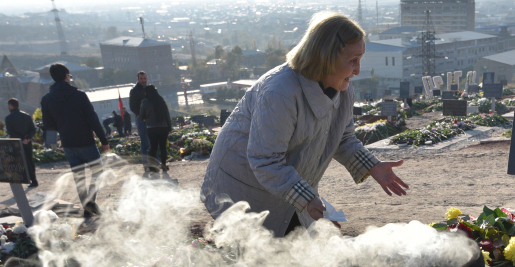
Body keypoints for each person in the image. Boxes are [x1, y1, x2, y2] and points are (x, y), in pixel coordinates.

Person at [201, 12, 408, 237]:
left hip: (282, 187)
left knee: (294, 251)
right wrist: (307, 198)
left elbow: (343, 138)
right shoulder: (280, 92)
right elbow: (265, 160)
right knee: (261, 257)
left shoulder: (343, 89)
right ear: (327, 57)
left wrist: (372, 166)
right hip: (242, 189)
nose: (357, 70)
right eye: (352, 61)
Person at [40, 63, 109, 219]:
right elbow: (93, 119)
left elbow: (48, 125)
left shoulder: (46, 100)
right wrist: (103, 140)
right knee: (97, 172)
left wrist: (59, 133)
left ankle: (87, 207)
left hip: (68, 144)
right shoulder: (79, 96)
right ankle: (90, 203)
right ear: (67, 76)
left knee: (79, 177)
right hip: (86, 141)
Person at [138, 84, 172, 175]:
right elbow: (167, 115)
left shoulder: (145, 102)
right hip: (163, 127)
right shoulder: (161, 100)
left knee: (153, 147)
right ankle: (164, 166)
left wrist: (144, 118)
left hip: (151, 128)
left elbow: (141, 116)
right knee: (163, 147)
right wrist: (169, 127)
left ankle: (153, 168)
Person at [5, 98, 38, 188]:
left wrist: (21, 139)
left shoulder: (8, 118)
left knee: (20, 161)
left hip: (17, 143)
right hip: (27, 142)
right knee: (29, 160)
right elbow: (33, 129)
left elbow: (10, 132)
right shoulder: (26, 116)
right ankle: (34, 179)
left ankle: (26, 179)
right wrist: (27, 138)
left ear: (11, 106)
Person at [129, 71, 151, 172]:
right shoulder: (134, 91)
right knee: (145, 143)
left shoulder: (150, 89)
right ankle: (146, 165)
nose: (143, 81)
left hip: (151, 120)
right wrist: (142, 116)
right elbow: (133, 107)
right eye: (141, 79)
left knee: (154, 142)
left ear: (147, 78)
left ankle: (155, 164)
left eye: (145, 79)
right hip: (142, 121)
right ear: (138, 79)